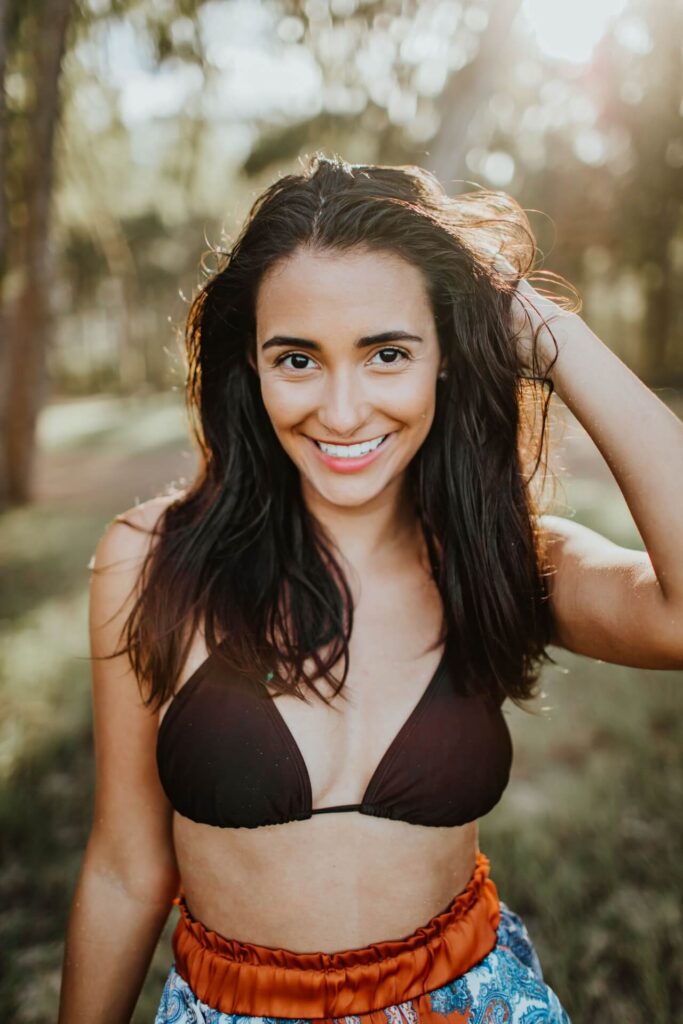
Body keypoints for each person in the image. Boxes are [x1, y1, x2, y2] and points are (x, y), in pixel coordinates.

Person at [57, 154, 683, 1024]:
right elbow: (126, 866)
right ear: (253, 365)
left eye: (387, 353)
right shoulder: (151, 560)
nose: (343, 412)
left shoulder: (503, 558)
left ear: (446, 358)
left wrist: (542, 328)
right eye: (298, 359)